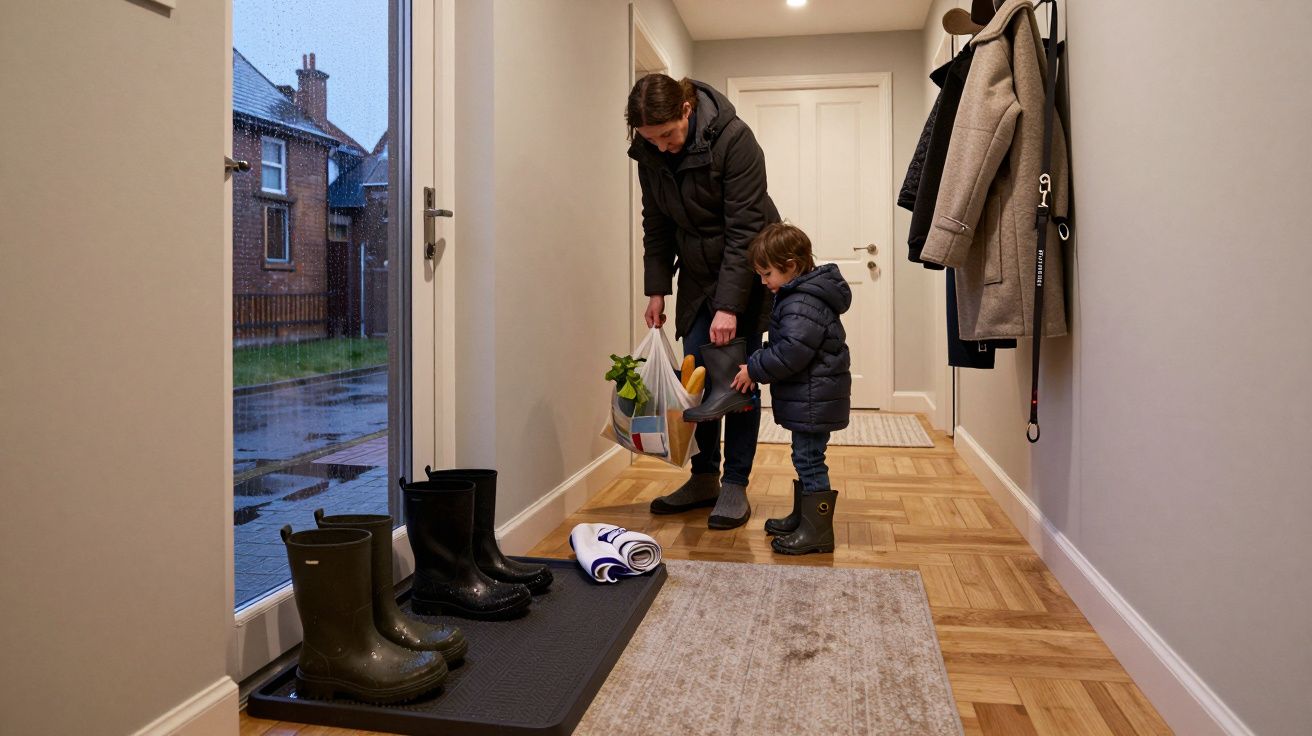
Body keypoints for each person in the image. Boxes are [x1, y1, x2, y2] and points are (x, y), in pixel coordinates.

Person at [626, 73, 779, 530]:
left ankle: (735, 483)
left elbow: (745, 229)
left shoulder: (735, 140)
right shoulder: (649, 153)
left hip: (746, 269)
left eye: (668, 135)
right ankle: (704, 477)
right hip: (695, 274)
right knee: (695, 379)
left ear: (687, 111)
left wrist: (730, 306)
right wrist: (656, 290)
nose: (662, 147)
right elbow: (656, 224)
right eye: (650, 139)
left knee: (738, 380)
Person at [731, 223, 852, 555]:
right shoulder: (801, 295)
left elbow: (792, 352)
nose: (763, 281)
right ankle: (804, 519)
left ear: (791, 266)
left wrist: (754, 367)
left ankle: (817, 532)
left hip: (814, 397)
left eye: (767, 273)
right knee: (805, 456)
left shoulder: (801, 301)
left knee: (809, 458)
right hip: (813, 396)